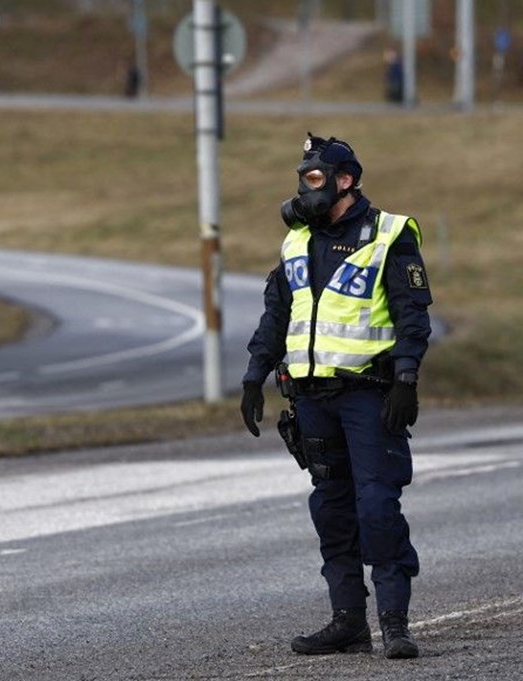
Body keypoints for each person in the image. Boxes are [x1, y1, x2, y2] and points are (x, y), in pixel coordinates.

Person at [240, 134, 432, 660]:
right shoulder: (297, 240)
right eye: (303, 178)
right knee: (332, 511)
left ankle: (394, 622)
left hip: (369, 396)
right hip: (312, 399)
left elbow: (414, 319)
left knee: (377, 508)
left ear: (346, 180)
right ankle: (348, 622)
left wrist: (406, 381)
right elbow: (277, 316)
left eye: (316, 178)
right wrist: (254, 377)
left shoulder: (388, 235)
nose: (306, 188)